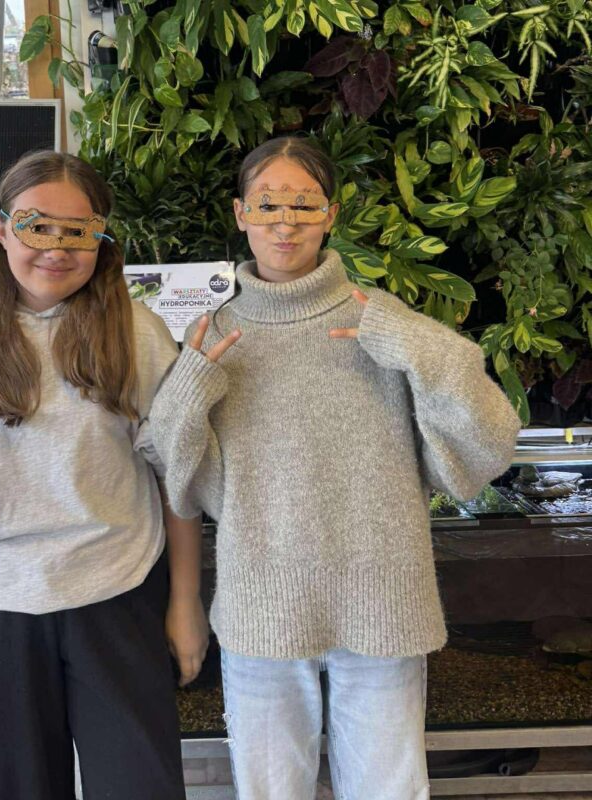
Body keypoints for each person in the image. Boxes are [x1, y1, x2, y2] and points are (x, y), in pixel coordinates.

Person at [148, 136, 521, 800]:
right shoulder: (215, 334)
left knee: (388, 790)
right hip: (263, 605)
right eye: (267, 204)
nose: (284, 221)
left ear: (330, 214)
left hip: (382, 600)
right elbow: (178, 477)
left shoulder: (381, 319)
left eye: (303, 203)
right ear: (241, 214)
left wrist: (417, 347)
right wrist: (190, 384)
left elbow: (491, 439)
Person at [0, 149, 208, 800]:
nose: (57, 247)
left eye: (78, 230)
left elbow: (175, 480)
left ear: (101, 239)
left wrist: (185, 605)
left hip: (119, 601)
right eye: (37, 226)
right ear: (1, 229)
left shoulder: (139, 336)